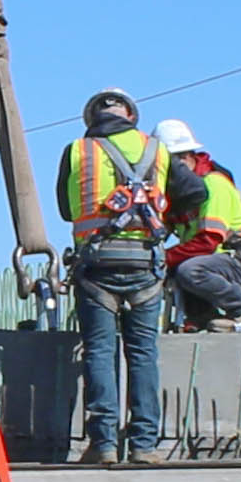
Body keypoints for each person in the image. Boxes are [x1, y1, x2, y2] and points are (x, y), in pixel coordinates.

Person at [54, 87, 172, 460]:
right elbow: (192, 195)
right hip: (145, 264)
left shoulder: (78, 150)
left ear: (92, 119)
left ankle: (104, 443)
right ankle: (144, 444)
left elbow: (63, 208)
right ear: (130, 116)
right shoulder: (158, 150)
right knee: (143, 354)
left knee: (100, 352)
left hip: (97, 264)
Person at [155, 119, 241, 329]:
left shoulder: (213, 184)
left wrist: (163, 258)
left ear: (187, 158)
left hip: (236, 260)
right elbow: (161, 230)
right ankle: (203, 319)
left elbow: (209, 241)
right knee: (161, 269)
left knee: (189, 270)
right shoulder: (180, 196)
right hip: (208, 261)